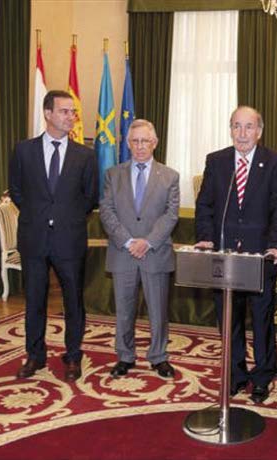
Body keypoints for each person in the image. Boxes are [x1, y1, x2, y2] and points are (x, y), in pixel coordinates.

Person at [195, 106, 277, 404]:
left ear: (259, 131)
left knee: (261, 320)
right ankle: (235, 375)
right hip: (224, 257)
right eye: (237, 126)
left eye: (249, 127)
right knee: (229, 319)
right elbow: (205, 205)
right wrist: (206, 238)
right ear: (231, 130)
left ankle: (262, 376)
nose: (242, 133)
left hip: (260, 256)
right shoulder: (217, 160)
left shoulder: (275, 162)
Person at [9, 90, 99, 382]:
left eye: (73, 112)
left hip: (69, 239)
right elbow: (17, 190)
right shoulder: (23, 150)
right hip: (34, 237)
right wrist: (40, 215)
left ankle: (73, 356)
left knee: (73, 301)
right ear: (47, 113)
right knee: (34, 300)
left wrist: (64, 217)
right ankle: (35, 355)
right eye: (64, 111)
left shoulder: (86, 155)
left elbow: (90, 197)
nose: (71, 117)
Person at [99, 119, 180, 379]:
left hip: (155, 252)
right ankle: (125, 356)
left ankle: (159, 357)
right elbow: (106, 211)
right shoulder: (113, 174)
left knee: (158, 311)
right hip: (123, 252)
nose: (140, 146)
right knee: (124, 310)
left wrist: (147, 241)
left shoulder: (170, 176)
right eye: (135, 141)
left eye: (145, 140)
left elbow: (171, 214)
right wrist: (127, 241)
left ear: (155, 143)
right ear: (128, 143)